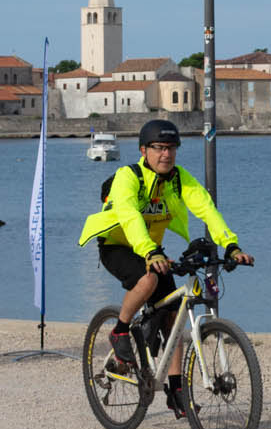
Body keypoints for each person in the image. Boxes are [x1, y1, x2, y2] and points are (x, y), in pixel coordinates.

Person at [78, 119, 252, 412]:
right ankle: (120, 330)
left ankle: (176, 390)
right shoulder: (128, 176)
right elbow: (130, 216)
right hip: (117, 246)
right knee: (148, 280)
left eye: (171, 148)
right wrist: (149, 251)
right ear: (143, 150)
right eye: (159, 148)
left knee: (174, 315)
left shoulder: (179, 178)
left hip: (152, 251)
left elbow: (206, 208)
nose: (166, 154)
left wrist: (231, 245)